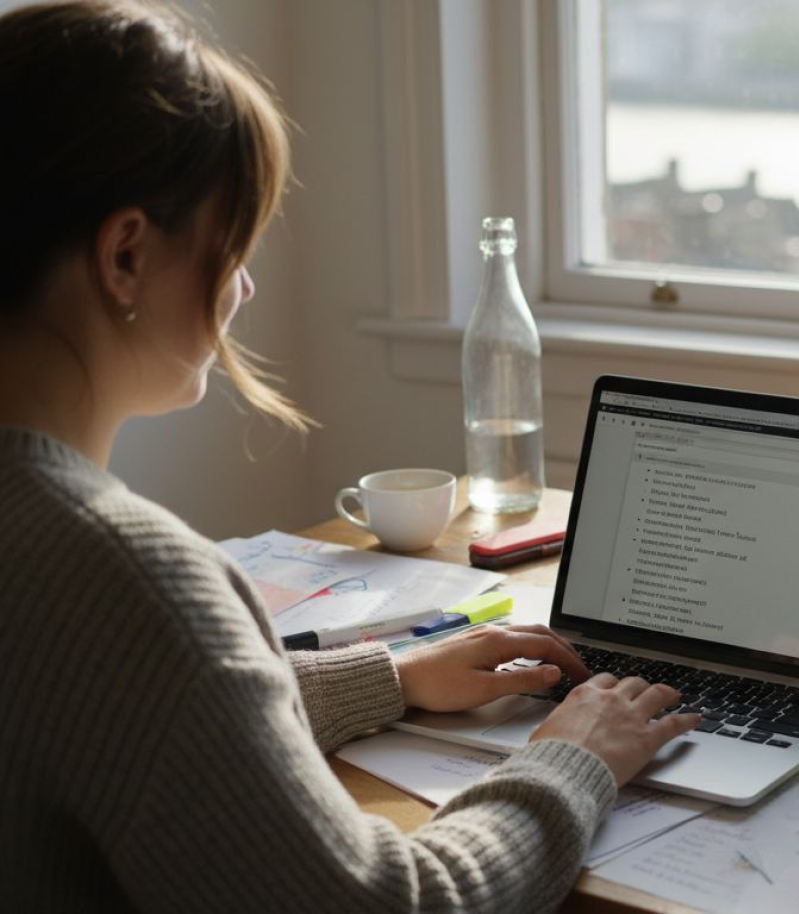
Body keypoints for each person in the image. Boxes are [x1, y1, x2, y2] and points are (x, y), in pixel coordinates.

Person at [0, 2, 700, 910]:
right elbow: (393, 904)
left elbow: (112, 699)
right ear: (126, 255)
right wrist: (574, 758)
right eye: (233, 247)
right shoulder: (122, 575)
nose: (244, 289)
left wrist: (393, 677)